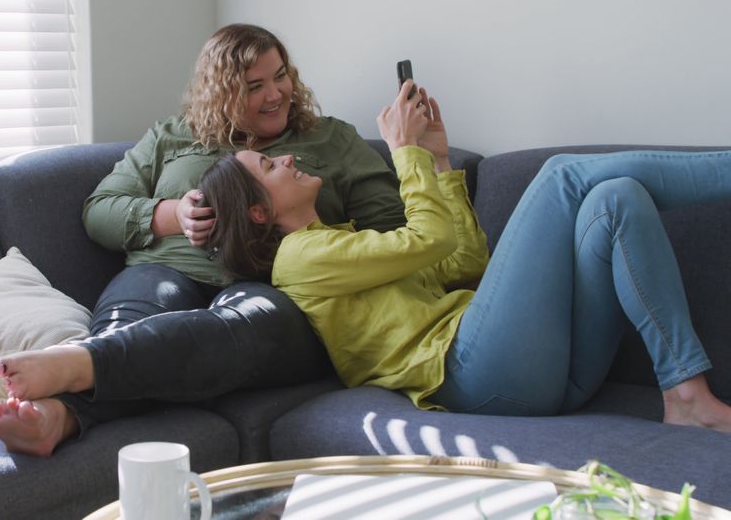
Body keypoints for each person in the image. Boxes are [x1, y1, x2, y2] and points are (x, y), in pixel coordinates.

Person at [196, 78, 731, 431]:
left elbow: (462, 265)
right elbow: (431, 239)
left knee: (617, 199)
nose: (286, 158)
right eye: (269, 168)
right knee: (561, 175)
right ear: (260, 213)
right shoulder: (299, 258)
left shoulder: (340, 238)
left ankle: (685, 395)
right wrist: (403, 153)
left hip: (548, 377)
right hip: (478, 378)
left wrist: (441, 162)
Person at [0, 23, 410, 456]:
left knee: (245, 327)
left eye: (280, 75)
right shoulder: (173, 136)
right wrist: (171, 215)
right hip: (164, 270)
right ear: (219, 92)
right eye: (254, 86)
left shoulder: (332, 138)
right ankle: (59, 413)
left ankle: (79, 376)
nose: (276, 94)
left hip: (279, 289)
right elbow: (99, 211)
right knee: (134, 321)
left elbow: (393, 226)